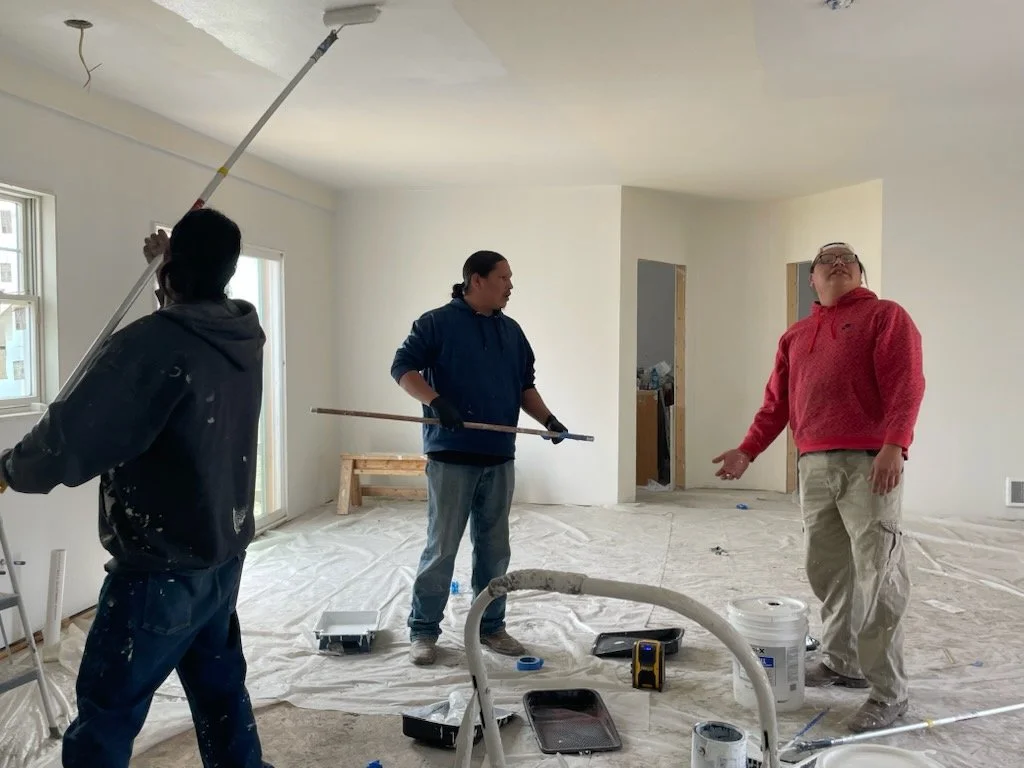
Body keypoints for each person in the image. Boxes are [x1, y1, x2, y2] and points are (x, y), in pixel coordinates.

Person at [0, 208, 273, 768]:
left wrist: (8, 470)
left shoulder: (151, 346)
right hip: (221, 553)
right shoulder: (241, 335)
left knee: (107, 713)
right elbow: (182, 342)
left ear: (172, 276)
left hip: (161, 567)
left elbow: (71, 439)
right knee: (221, 690)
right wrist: (169, 270)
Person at [712, 242, 925, 733]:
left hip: (870, 462)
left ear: (859, 271)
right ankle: (842, 661)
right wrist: (748, 449)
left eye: (846, 256)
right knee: (828, 568)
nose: (836, 261)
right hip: (813, 463)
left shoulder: (884, 317)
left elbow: (906, 383)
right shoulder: (797, 335)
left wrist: (895, 444)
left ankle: (890, 692)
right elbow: (776, 403)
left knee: (879, 572)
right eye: (826, 258)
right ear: (812, 279)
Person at [391, 250, 568, 666]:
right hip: (451, 456)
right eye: (503, 278)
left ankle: (491, 626)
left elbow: (524, 387)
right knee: (442, 547)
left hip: (498, 456)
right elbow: (402, 368)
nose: (510, 285)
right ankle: (424, 631)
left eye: (511, 278)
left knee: (494, 549)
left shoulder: (512, 332)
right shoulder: (436, 323)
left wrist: (548, 419)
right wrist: (436, 402)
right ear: (475, 280)